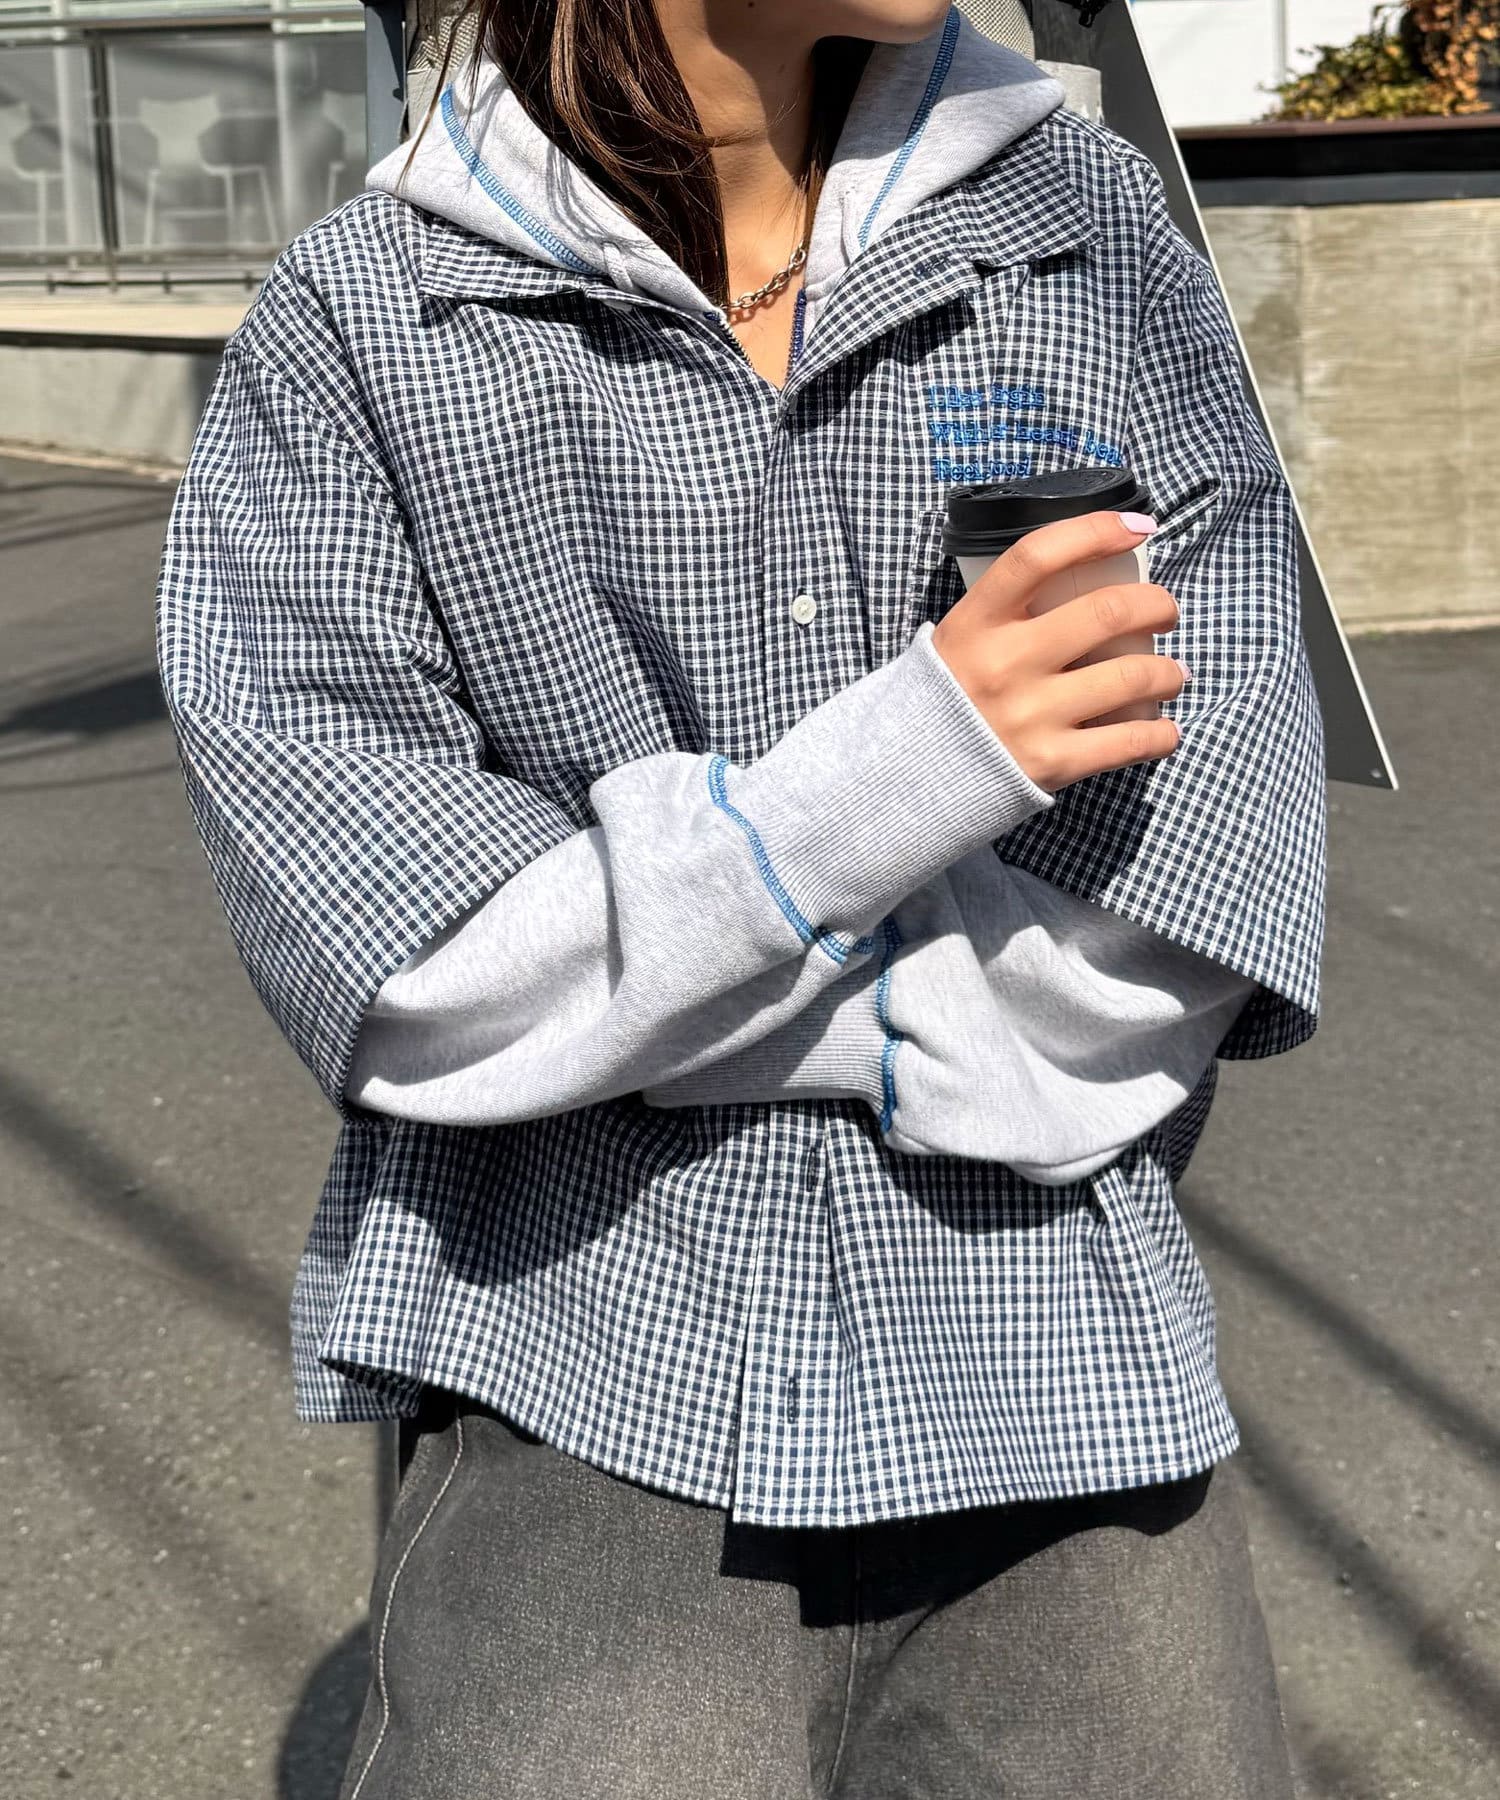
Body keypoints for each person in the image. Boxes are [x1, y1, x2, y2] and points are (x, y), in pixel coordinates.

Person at [154, 2, 1326, 1795]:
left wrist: (638, 996)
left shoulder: (1086, 239)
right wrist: (919, 767)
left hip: (1067, 1380)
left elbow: (1203, 888)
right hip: (580, 1363)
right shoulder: (366, 323)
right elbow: (403, 966)